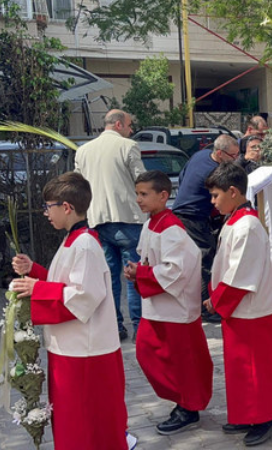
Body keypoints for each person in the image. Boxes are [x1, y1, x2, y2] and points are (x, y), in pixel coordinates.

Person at [11, 172, 129, 449]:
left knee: (84, 421)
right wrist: (35, 272)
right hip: (72, 347)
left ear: (66, 207)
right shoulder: (74, 239)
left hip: (85, 352)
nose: (44, 213)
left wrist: (36, 289)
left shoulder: (85, 243)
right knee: (72, 419)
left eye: (48, 206)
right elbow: (66, 283)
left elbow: (84, 295)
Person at [202, 163, 272, 446]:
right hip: (240, 309)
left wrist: (216, 301)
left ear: (233, 191)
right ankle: (248, 412)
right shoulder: (235, 219)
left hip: (251, 309)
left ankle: (267, 417)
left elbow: (240, 274)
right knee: (242, 366)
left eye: (216, 196)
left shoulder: (247, 225)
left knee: (256, 367)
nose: (213, 202)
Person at [123, 170, 213, 435]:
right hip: (160, 306)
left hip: (175, 309)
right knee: (149, 353)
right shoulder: (152, 222)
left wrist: (141, 273)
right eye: (137, 193)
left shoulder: (171, 227)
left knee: (181, 361)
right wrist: (137, 270)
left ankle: (188, 408)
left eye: (144, 194)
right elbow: (152, 260)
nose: (138, 199)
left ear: (163, 196)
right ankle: (183, 402)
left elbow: (177, 270)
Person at [74, 109, 145, 341]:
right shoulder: (128, 146)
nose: (131, 129)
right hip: (128, 219)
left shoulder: (83, 151)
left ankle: (115, 326)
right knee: (133, 275)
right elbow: (142, 181)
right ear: (117, 124)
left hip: (98, 221)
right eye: (129, 125)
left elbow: (79, 186)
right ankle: (139, 327)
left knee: (110, 277)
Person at [172, 135, 240, 324]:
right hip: (193, 217)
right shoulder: (214, 172)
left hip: (182, 212)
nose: (236, 159)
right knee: (205, 260)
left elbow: (182, 175)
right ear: (220, 153)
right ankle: (206, 309)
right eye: (233, 156)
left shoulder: (201, 155)